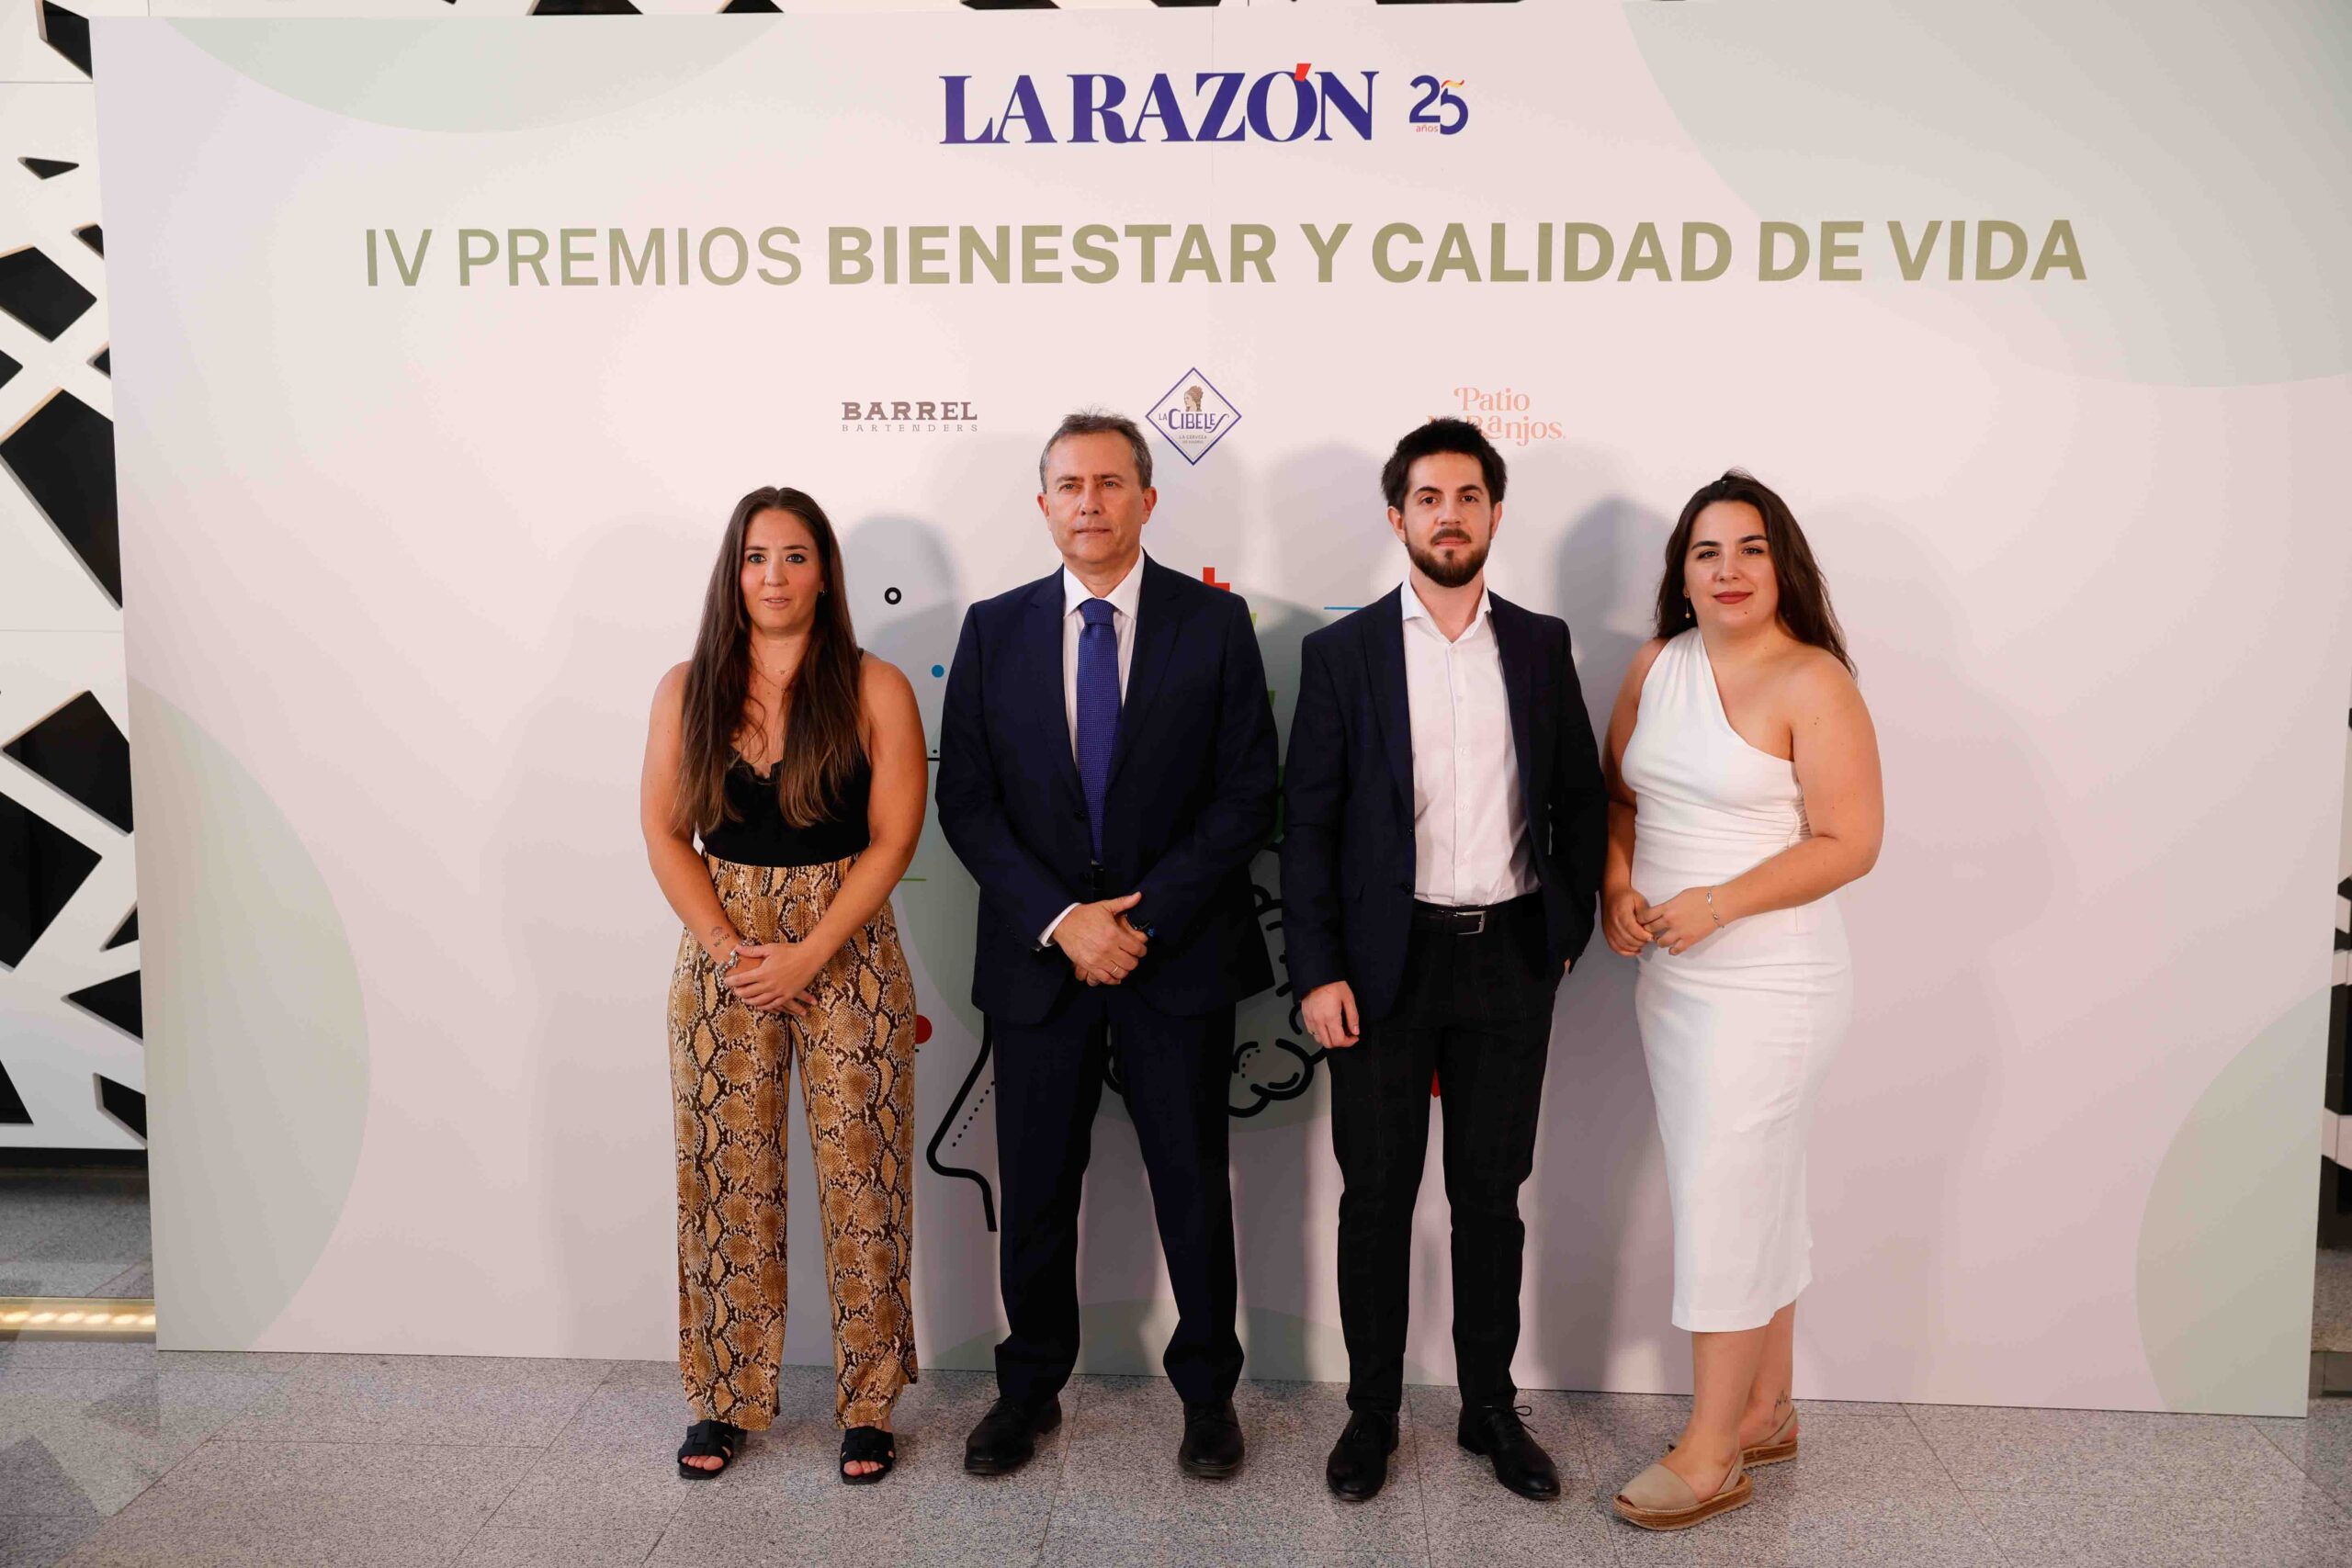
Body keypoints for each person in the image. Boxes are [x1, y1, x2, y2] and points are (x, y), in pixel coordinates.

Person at [935, 410, 1278, 1481]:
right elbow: (968, 802)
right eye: (1069, 485)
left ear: (1146, 498)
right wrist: (1064, 921)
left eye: (1110, 483)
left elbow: (1245, 793)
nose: (1089, 502)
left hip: (1175, 957)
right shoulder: (992, 629)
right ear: (1043, 504)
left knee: (1192, 1185)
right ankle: (1027, 1391)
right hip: (1040, 962)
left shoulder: (1213, 625)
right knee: (1037, 1188)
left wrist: (1140, 919)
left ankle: (1208, 1397)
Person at [1281, 417, 1608, 1504]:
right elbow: (1308, 826)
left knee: (1490, 1198)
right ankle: (1371, 1413)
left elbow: (1578, 800)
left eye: (1468, 496)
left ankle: (1487, 1410)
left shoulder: (1541, 645)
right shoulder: (1341, 657)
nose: (1449, 515)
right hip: (1382, 965)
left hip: (1508, 957)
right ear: (1398, 517)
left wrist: (1562, 930)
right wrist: (1316, 970)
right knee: (1374, 1198)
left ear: (1495, 514)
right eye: (1428, 498)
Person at [1600, 470, 1883, 1531]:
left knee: (1725, 1196)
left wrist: (1716, 904)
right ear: (1682, 573)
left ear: (1782, 565)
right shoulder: (1655, 665)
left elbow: (1851, 842)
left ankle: (1712, 1450)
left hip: (1774, 983)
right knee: (1752, 1186)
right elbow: (1619, 795)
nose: (1728, 570)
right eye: (1706, 551)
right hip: (1672, 981)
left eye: (1750, 548)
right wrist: (1615, 887)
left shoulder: (1814, 680)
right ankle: (1766, 1408)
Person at [639, 486, 926, 1485]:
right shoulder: (686, 688)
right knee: (725, 1178)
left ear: (825, 573)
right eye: (757, 557)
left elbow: (894, 838)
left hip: (849, 945)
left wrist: (809, 953)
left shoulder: (875, 684)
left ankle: (870, 1405)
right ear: (734, 572)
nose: (774, 575)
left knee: (864, 1178)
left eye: (795, 556)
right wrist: (731, 948)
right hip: (721, 954)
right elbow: (665, 832)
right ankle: (721, 1397)